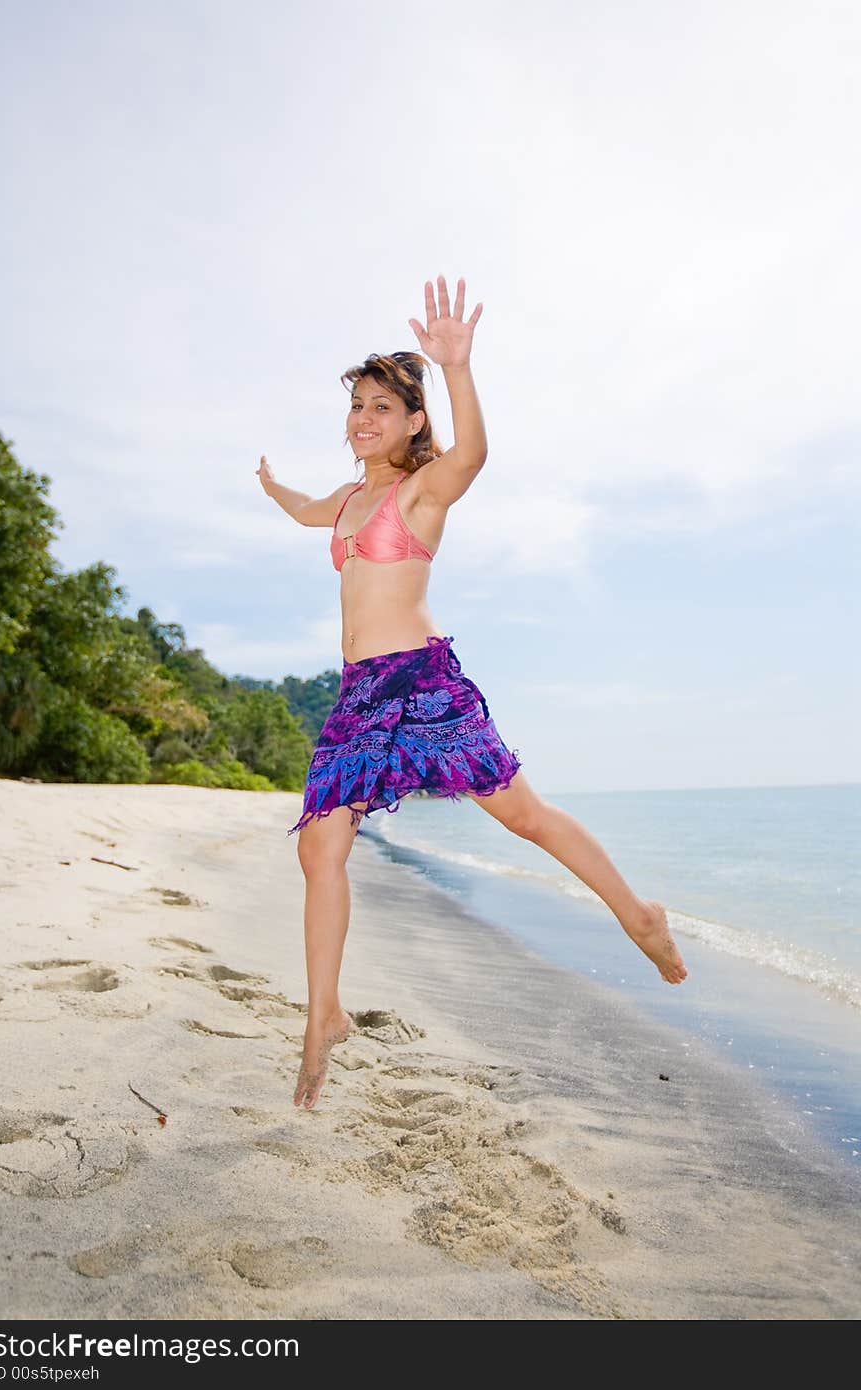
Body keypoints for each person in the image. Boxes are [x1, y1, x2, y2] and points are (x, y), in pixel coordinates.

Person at [256, 275, 687, 1111]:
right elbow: (308, 511)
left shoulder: (424, 489)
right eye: (357, 407)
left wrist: (456, 369)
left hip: (422, 685)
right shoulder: (349, 500)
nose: (364, 419)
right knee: (319, 851)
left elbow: (473, 456)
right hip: (357, 699)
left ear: (412, 421)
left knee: (524, 816)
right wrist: (275, 489)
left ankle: (640, 916)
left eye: (382, 407)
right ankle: (324, 1018)